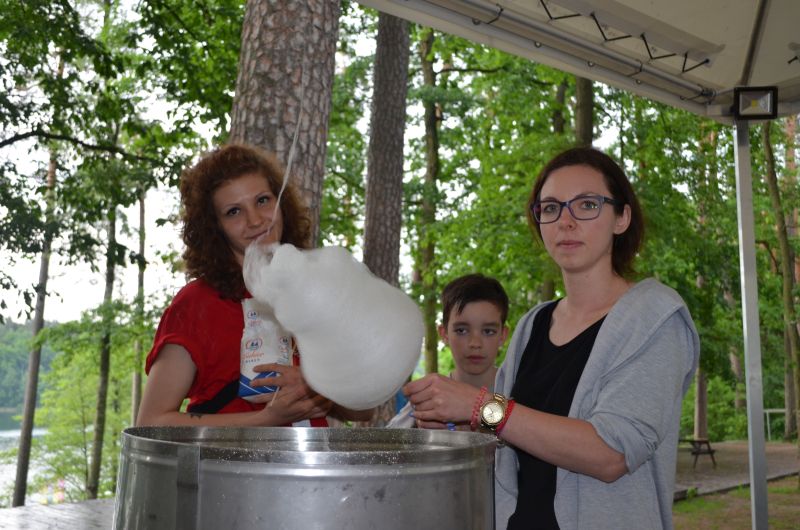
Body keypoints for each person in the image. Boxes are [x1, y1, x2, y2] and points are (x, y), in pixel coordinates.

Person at [403, 147, 699, 530]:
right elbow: (508, 431)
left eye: (587, 205)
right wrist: (455, 424)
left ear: (621, 218)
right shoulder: (533, 324)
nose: (566, 221)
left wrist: (479, 407)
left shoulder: (655, 318)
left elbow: (612, 453)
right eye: (551, 208)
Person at [137, 143, 372, 427]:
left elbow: (363, 411)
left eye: (262, 200)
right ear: (214, 227)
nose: (256, 220)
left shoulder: (312, 292)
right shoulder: (197, 303)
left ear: (281, 202)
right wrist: (265, 420)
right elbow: (152, 421)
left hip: (310, 456)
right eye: (233, 211)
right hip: (225, 458)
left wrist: (317, 386)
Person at [388, 273, 510, 428]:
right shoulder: (431, 397)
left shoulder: (520, 393)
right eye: (461, 330)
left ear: (503, 335)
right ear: (444, 334)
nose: (475, 343)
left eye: (488, 331)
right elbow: (390, 439)